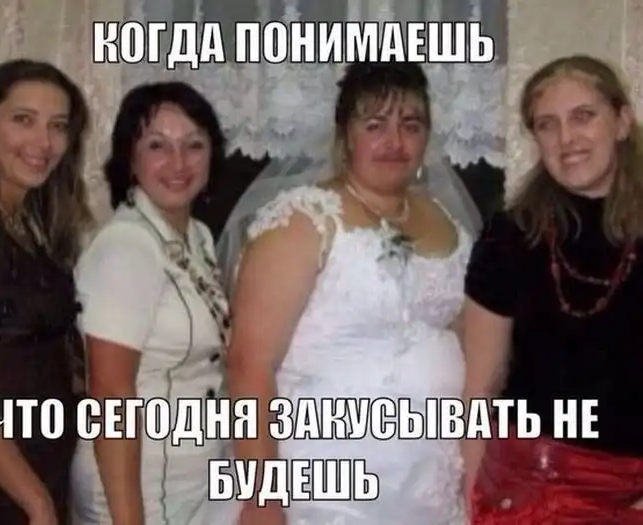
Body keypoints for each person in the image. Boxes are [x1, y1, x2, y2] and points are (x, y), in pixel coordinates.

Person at [205, 62, 482, 525]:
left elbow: (471, 348)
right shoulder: (301, 220)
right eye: (375, 125)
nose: (395, 141)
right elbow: (248, 364)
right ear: (346, 135)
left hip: (430, 480)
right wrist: (262, 499)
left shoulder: (446, 221)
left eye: (411, 125)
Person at [462, 54, 643, 523]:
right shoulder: (510, 237)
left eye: (583, 116)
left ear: (622, 122)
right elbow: (479, 390)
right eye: (547, 124)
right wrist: (468, 501)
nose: (567, 139)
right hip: (527, 489)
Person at [70, 81, 229, 525]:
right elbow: (111, 397)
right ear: (130, 158)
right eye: (157, 145)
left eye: (194, 145)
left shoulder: (197, 236)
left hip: (190, 478)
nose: (179, 163)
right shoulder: (126, 247)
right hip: (135, 486)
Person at [0, 59, 91, 524]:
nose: (43, 143)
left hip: (45, 466)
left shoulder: (28, 222)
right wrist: (36, 503)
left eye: (57, 126)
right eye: (23, 120)